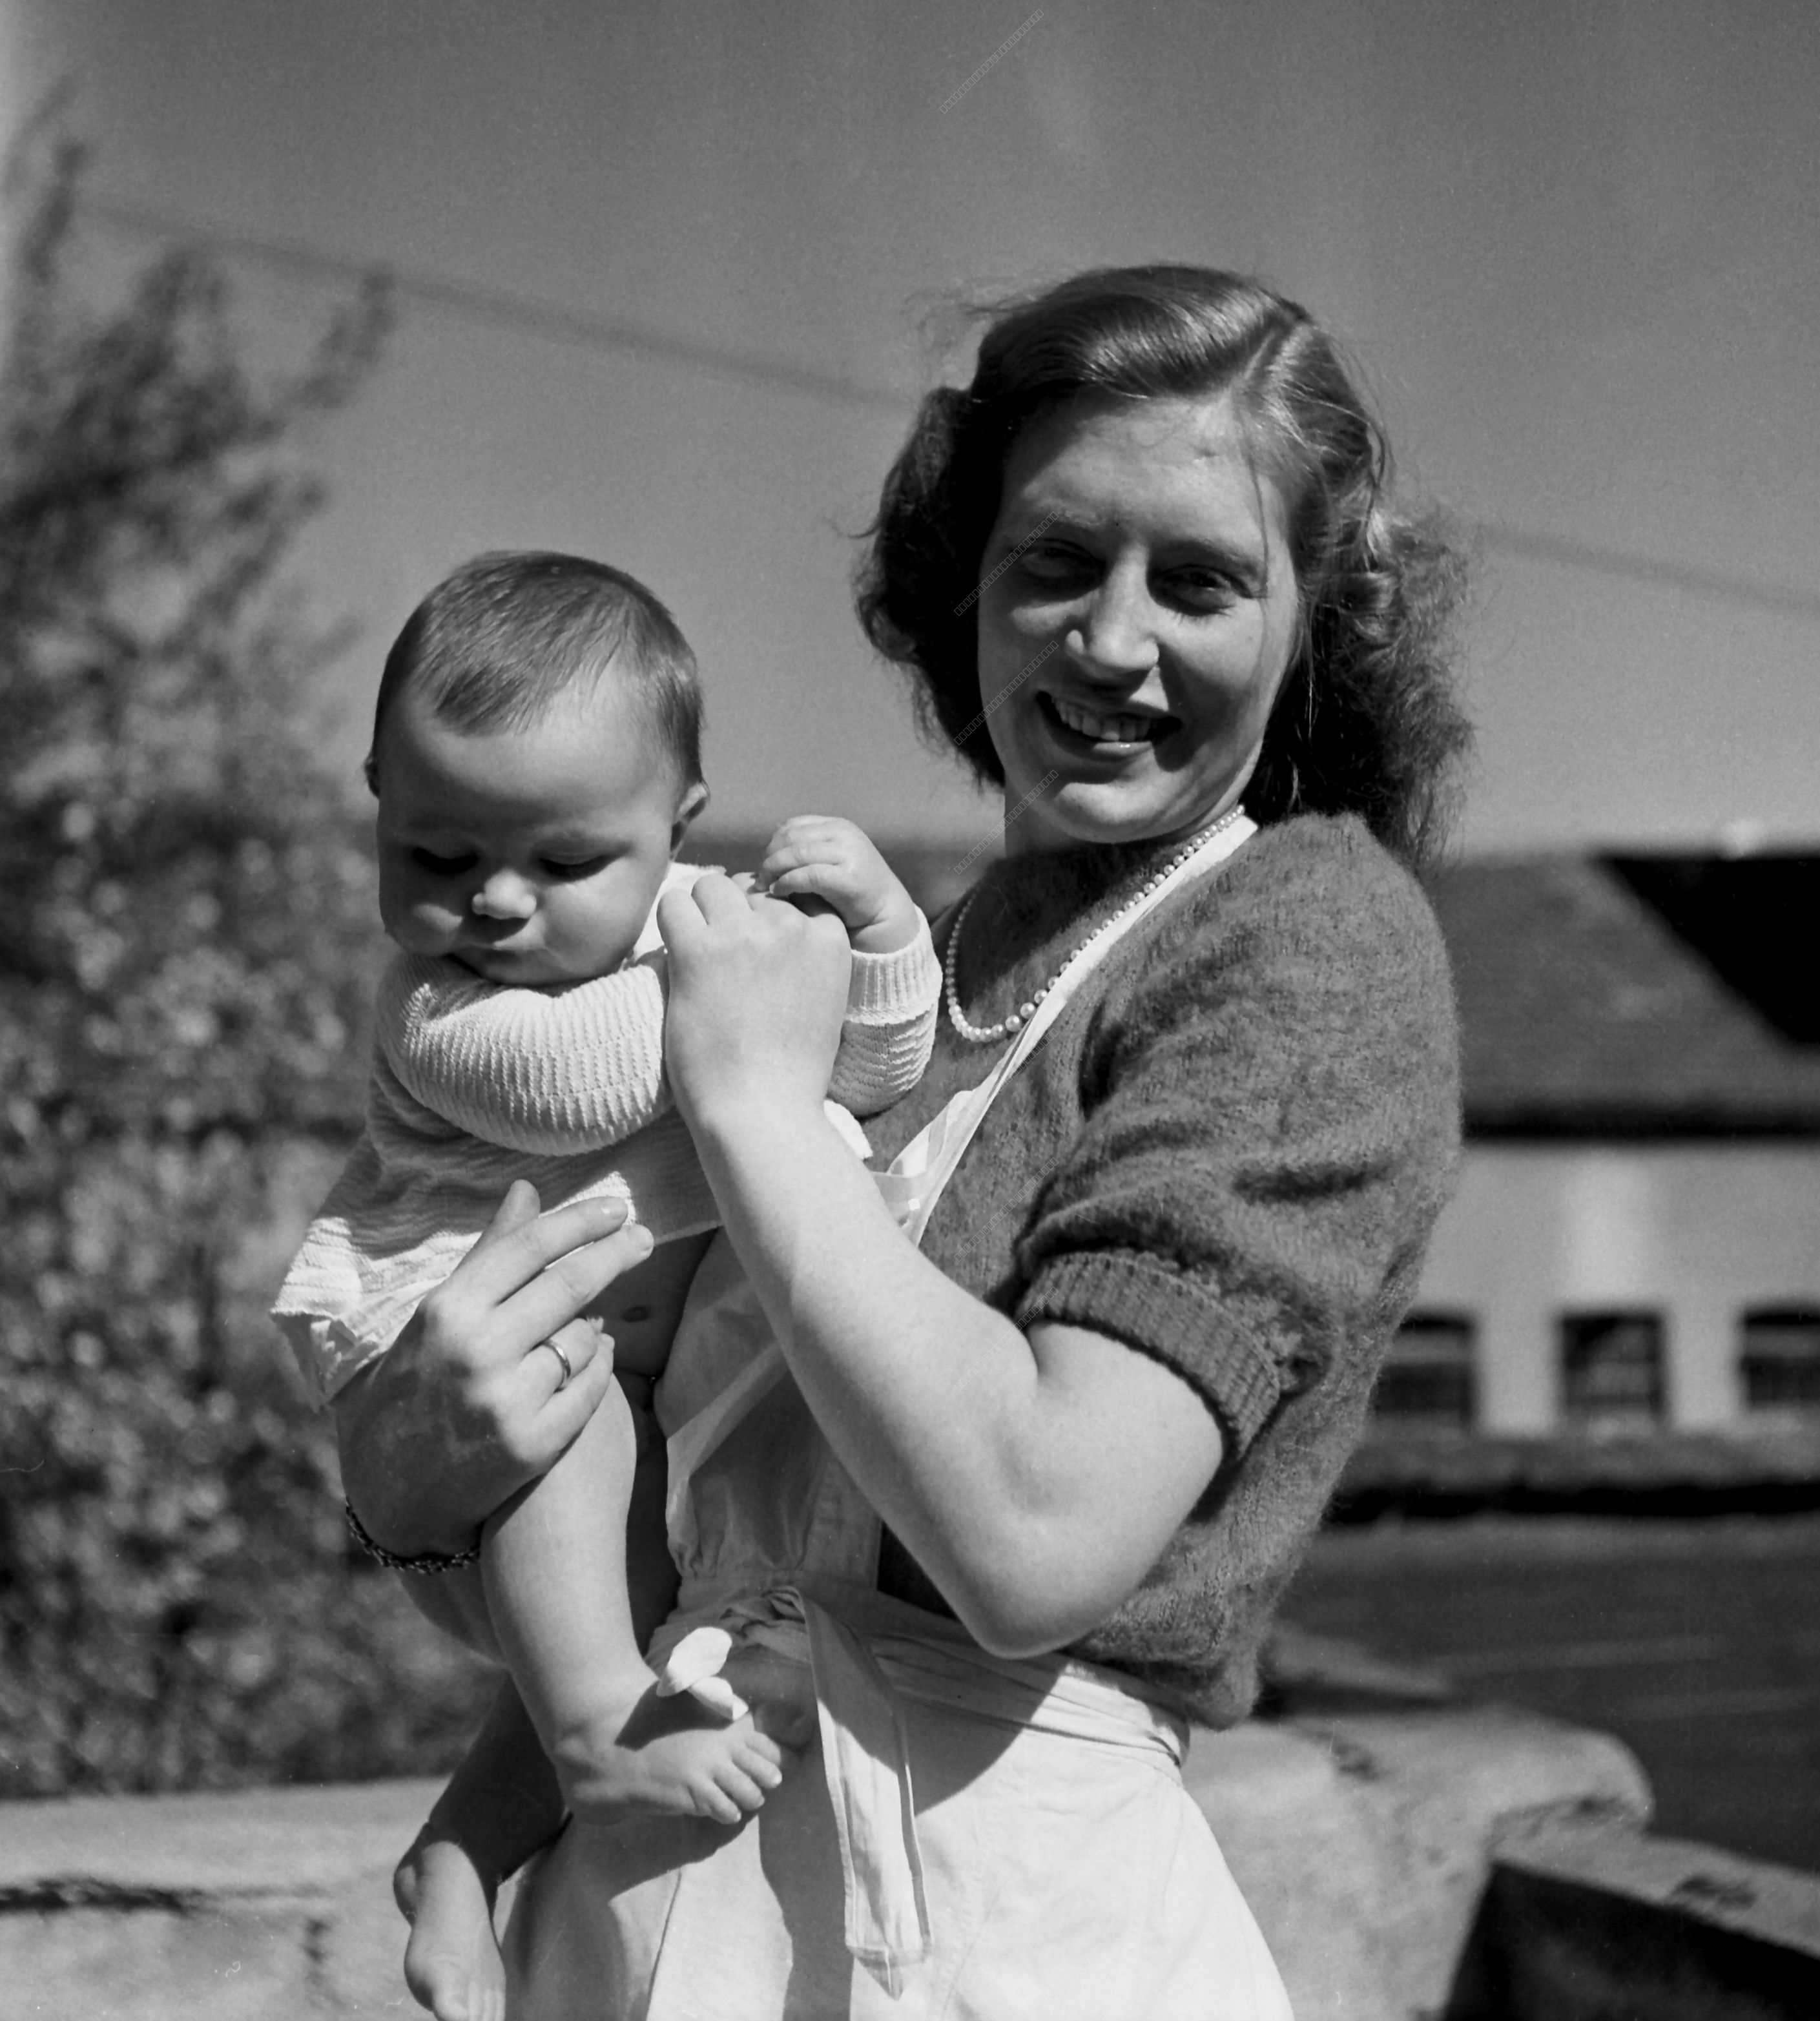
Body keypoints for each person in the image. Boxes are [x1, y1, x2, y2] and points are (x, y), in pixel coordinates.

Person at [346, 265, 1469, 2020]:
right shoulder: (915, 964)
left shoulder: (1310, 938)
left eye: (1199, 580)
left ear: (1314, 616)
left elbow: (1032, 1539)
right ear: (968, 591)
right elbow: (667, 1497)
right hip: (653, 1894)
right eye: (1054, 563)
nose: (1111, 640)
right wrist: (410, 1475)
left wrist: (738, 1097)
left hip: (988, 1923)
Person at [271, 550, 940, 2018]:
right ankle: (588, 1730)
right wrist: (768, 971)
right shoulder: (445, 1007)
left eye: (563, 862)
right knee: (579, 1449)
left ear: (676, 822)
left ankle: (459, 1844)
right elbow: (588, 1086)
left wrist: (880, 937)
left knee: (638, 1591)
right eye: (436, 855)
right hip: (480, 1346)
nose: (494, 902)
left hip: (622, 1393)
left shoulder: (698, 937)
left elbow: (875, 1067)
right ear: (379, 794)